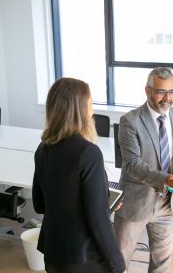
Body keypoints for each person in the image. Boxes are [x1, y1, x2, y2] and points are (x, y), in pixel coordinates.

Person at [32, 78, 126, 273]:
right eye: (91, 102)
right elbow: (98, 220)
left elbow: (39, 204)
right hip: (83, 258)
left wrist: (103, 206)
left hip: (53, 252)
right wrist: (118, 264)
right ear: (80, 108)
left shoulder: (43, 148)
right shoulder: (88, 153)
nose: (93, 107)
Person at [113, 67, 173, 272]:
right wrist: (167, 180)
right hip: (135, 203)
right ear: (147, 91)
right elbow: (132, 164)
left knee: (161, 265)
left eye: (172, 92)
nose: (168, 98)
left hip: (168, 205)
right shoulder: (130, 121)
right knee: (118, 262)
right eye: (161, 92)